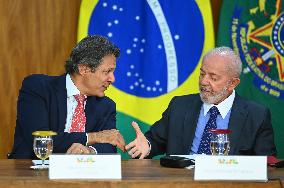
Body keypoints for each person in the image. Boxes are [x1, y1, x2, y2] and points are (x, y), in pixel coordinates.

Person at [125, 46, 277, 159]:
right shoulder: (180, 106)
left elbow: (266, 166)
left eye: (213, 77)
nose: (204, 81)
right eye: (202, 73)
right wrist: (147, 145)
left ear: (233, 83)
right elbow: (155, 140)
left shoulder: (257, 115)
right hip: (181, 183)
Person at [9, 35, 126, 159]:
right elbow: (40, 139)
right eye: (107, 72)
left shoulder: (106, 105)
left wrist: (89, 151)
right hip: (31, 173)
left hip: (83, 175)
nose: (112, 79)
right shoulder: (38, 88)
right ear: (84, 69)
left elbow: (110, 145)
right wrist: (94, 137)